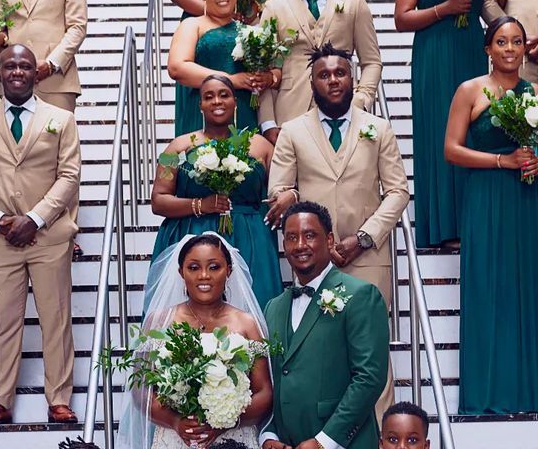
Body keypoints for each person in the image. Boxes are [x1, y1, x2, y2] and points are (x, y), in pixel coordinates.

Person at [266, 42, 408, 421]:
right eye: (324, 74)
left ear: (353, 78)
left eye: (340, 73)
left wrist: (363, 238)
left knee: (372, 356)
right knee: (316, 351)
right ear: (311, 82)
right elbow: (277, 192)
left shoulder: (378, 129)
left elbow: (398, 191)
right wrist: (292, 194)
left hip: (368, 258)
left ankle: (379, 438)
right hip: (313, 262)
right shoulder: (293, 131)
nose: (333, 80)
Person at [444, 16, 538, 414]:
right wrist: (501, 160)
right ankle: (485, 395)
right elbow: (451, 150)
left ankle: (530, 394)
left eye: (516, 42)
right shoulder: (470, 90)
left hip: (527, 202)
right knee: (487, 289)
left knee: (529, 290)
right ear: (487, 49)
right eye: (501, 42)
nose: (509, 49)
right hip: (486, 197)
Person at [0, 44, 81, 424]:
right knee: (4, 320)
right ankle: (0, 399)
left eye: (25, 66)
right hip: (0, 238)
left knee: (56, 317)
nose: (17, 71)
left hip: (48, 235)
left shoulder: (61, 119)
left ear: (36, 73)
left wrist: (36, 217)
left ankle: (59, 398)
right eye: (10, 65)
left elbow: (69, 177)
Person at [395, 0, 506, 248]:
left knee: (472, 130)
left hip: (469, 50)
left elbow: (489, 8)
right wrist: (443, 8)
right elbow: (401, 19)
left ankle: (471, 222)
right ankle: (442, 228)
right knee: (438, 131)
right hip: (433, 54)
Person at [117, 233, 272, 449]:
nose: (204, 276)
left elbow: (264, 392)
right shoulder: (160, 321)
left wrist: (226, 423)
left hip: (234, 439)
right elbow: (140, 389)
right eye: (194, 268)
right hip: (175, 438)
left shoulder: (247, 324)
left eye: (214, 267)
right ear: (181, 272)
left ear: (229, 270)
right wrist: (175, 421)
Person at [260, 201, 389, 449]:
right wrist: (269, 435)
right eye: (291, 237)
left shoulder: (360, 295)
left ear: (329, 240)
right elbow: (275, 380)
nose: (300, 245)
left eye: (309, 236)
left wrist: (324, 442)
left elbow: (369, 378)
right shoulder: (273, 307)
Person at [148, 74, 282, 309]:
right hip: (193, 233)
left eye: (224, 95)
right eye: (208, 97)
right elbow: (159, 201)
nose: (217, 101)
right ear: (200, 105)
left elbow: (279, 190)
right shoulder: (175, 148)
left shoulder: (261, 145)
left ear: (235, 102)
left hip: (250, 238)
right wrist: (201, 205)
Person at [258, 0, 381, 144]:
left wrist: (361, 99)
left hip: (343, 108)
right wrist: (268, 122)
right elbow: (262, 69)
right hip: (289, 110)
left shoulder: (354, 2)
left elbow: (371, 61)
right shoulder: (274, 7)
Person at [168, 0, 278, 136]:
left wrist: (266, 78)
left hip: (243, 110)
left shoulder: (249, 31)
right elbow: (177, 67)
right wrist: (231, 80)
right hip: (204, 109)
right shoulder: (192, 25)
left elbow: (275, 70)